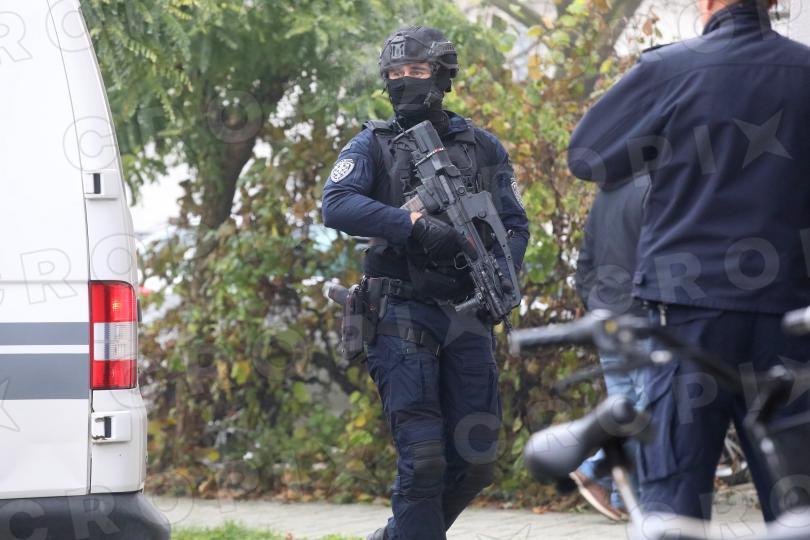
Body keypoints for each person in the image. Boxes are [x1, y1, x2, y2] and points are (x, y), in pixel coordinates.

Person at [567, 0, 810, 521]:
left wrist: (667, 138)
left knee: (674, 504)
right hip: (791, 319)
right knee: (797, 505)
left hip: (689, 318)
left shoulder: (670, 69)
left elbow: (587, 156)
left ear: (707, 3)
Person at [321, 26, 529, 540]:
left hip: (468, 313)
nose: (404, 81)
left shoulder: (481, 147)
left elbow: (515, 225)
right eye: (394, 73)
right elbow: (337, 204)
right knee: (424, 462)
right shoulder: (373, 143)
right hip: (400, 312)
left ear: (442, 76)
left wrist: (500, 277)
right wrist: (412, 225)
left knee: (476, 462)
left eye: (416, 70)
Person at [570, 176, 651, 521]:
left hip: (608, 318)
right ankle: (595, 469)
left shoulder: (607, 193)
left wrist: (596, 305)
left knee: (623, 407)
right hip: (642, 318)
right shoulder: (656, 187)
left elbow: (584, 262)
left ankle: (623, 497)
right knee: (652, 410)